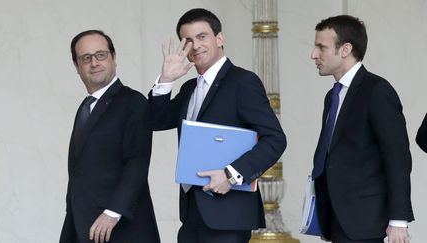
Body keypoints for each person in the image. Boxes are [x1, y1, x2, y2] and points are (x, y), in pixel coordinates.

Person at [148, 8, 286, 243]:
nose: (196, 45)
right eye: (188, 41)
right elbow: (155, 120)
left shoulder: (243, 82)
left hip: (229, 214)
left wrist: (231, 175)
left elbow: (275, 139)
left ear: (219, 38)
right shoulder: (189, 88)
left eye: (202, 36)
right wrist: (166, 80)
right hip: (192, 213)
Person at [310, 15, 414, 242]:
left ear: (345, 49)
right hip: (336, 217)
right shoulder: (332, 96)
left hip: (364, 220)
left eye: (321, 47)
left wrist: (398, 219)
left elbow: (397, 158)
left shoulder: (377, 91)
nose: (314, 54)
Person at [60, 30, 160, 243]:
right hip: (82, 224)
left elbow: (137, 162)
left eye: (101, 55)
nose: (94, 62)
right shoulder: (86, 107)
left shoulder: (133, 102)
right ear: (77, 67)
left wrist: (113, 212)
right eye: (86, 58)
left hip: (119, 226)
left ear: (114, 58)